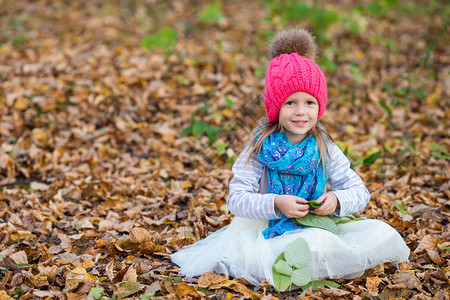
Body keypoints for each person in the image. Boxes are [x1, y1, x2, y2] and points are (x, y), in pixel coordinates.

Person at [170, 28, 410, 289]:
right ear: (275, 106)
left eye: (309, 103)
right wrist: (276, 203)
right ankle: (260, 264)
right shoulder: (259, 146)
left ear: (320, 107)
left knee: (379, 233)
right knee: (304, 247)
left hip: (314, 226)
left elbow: (359, 191)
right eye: (290, 103)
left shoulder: (324, 147)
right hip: (266, 229)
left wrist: (336, 200)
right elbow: (236, 200)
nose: (300, 112)